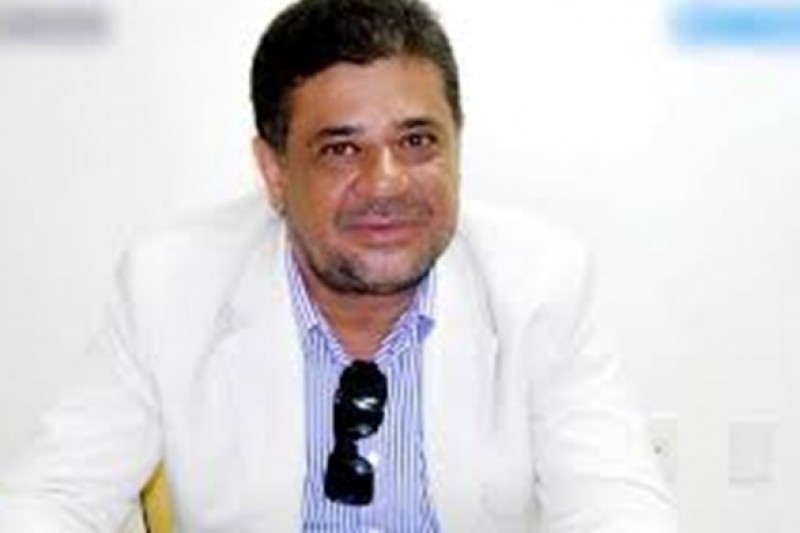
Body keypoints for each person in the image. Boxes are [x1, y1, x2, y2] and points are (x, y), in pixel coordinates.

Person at [0, 0, 677, 531]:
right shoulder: (169, 287)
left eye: (417, 140)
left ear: (457, 144)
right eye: (340, 150)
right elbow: (55, 498)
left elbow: (615, 507)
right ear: (274, 170)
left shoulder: (540, 281)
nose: (386, 182)